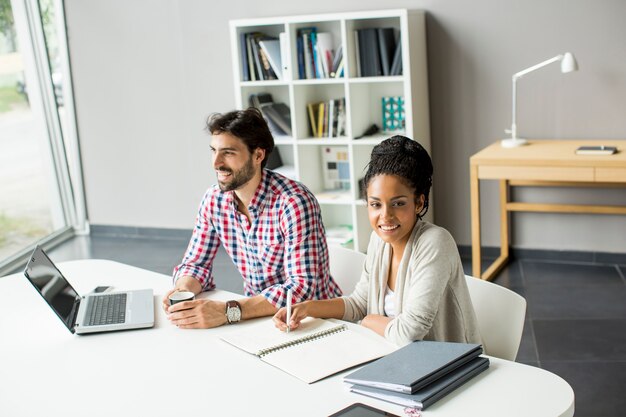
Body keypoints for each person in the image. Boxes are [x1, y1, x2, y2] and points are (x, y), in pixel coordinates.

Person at [274, 136, 481, 346]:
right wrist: (308, 308)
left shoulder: (436, 242)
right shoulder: (379, 241)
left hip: (447, 366)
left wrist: (368, 321)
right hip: (394, 357)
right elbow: (359, 303)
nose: (385, 216)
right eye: (375, 205)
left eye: (398, 204)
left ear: (419, 202)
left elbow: (409, 332)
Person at [163, 108, 342, 328]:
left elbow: (301, 288)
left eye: (228, 152)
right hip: (257, 316)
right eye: (213, 151)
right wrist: (183, 290)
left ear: (258, 155)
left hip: (313, 321)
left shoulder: (294, 202)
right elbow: (195, 264)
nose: (216, 163)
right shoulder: (214, 200)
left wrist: (227, 311)